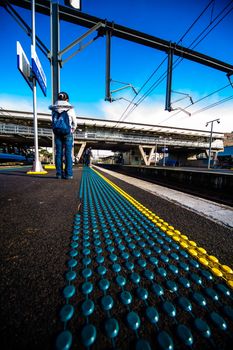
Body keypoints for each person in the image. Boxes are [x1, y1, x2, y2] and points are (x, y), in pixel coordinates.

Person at [49, 92, 77, 179]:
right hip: (67, 132)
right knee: (68, 153)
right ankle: (68, 174)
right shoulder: (70, 108)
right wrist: (72, 130)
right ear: (67, 99)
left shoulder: (54, 108)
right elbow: (74, 122)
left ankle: (59, 174)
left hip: (57, 133)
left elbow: (52, 121)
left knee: (58, 153)